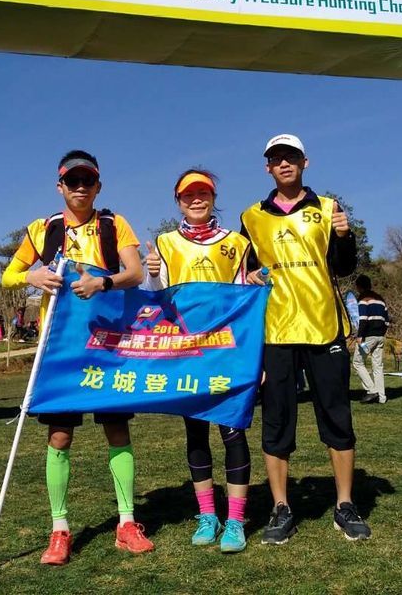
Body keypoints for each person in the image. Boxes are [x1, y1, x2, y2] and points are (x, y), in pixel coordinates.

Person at [1, 149, 151, 565]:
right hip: (61, 349)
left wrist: (102, 284)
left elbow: (136, 273)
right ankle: (59, 530)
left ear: (98, 186)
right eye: (73, 181)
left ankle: (126, 522)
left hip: (108, 345)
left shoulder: (113, 224)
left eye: (88, 181)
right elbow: (9, 274)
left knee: (117, 432)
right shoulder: (41, 229)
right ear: (60, 186)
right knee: (60, 437)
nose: (80, 188)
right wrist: (32, 274)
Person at [240, 134, 369, 543]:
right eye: (276, 159)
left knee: (336, 416)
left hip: (324, 326)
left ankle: (345, 505)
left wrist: (347, 236)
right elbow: (245, 273)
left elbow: (345, 268)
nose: (284, 164)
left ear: (305, 162)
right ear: (267, 167)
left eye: (291, 157)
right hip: (277, 330)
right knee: (277, 421)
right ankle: (281, 508)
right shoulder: (251, 217)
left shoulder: (328, 208)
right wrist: (252, 276)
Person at [144, 169, 261, 553]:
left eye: (203, 193)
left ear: (213, 197)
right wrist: (154, 277)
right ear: (178, 201)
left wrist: (254, 360)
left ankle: (236, 520)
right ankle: (208, 515)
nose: (196, 199)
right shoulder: (164, 243)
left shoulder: (237, 243)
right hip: (186, 353)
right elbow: (159, 299)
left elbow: (247, 302)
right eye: (188, 195)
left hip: (227, 352)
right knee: (195, 433)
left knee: (232, 431)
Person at [351, 275, 389, 405]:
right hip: (380, 336)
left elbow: (363, 319)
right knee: (377, 366)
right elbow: (387, 321)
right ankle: (382, 396)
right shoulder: (381, 300)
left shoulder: (363, 299)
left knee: (357, 362)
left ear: (359, 286)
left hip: (368, 336)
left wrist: (360, 336)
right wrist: (382, 333)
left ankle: (372, 390)